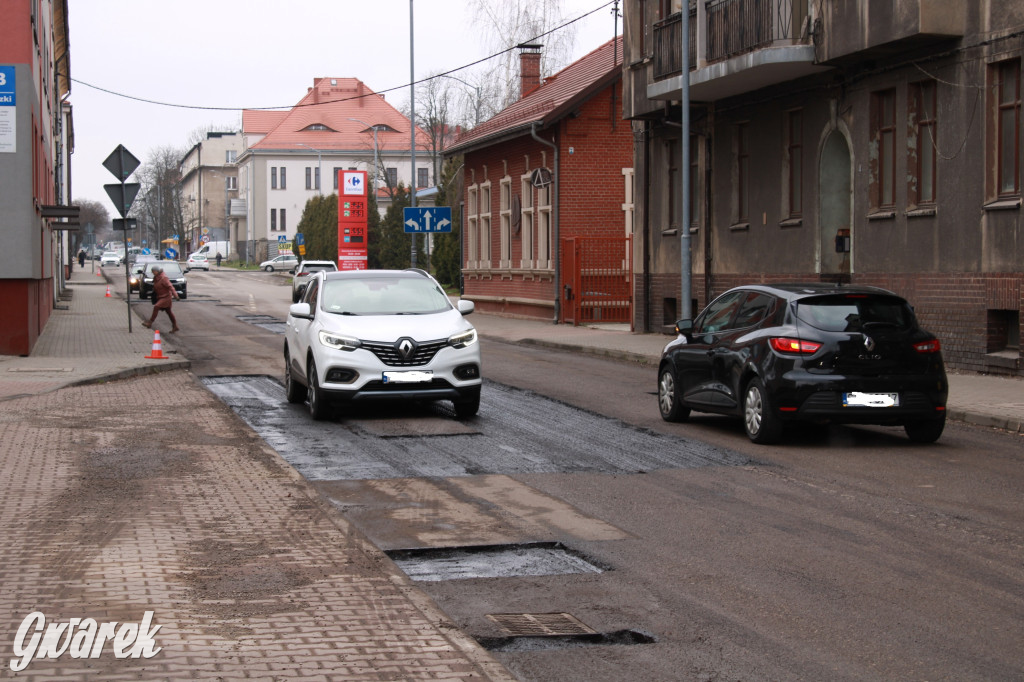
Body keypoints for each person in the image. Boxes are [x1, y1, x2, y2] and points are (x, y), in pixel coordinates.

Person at [142, 266, 180, 333]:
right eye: (152, 272)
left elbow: (170, 286)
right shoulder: (156, 278)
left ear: (157, 271)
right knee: (169, 312)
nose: (153, 273)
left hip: (166, 297)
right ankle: (175, 326)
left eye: (153, 272)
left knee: (156, 307)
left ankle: (150, 322)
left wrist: (176, 295)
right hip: (160, 297)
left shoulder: (163, 278)